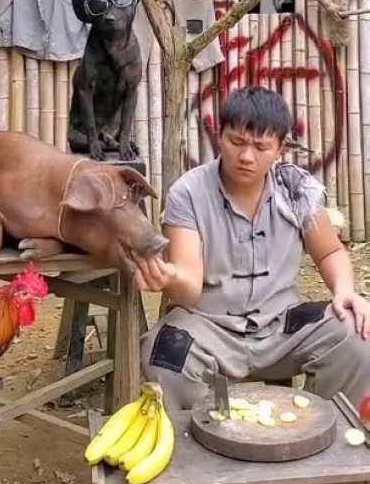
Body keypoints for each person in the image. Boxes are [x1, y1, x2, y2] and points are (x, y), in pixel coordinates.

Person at [134, 86, 370, 412]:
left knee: (358, 335)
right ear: (219, 136)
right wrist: (169, 276)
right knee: (165, 360)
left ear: (280, 148)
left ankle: (320, 432)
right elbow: (188, 289)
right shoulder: (187, 192)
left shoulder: (296, 187)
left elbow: (330, 253)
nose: (247, 156)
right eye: (237, 141)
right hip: (208, 327)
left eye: (261, 146)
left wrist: (345, 290)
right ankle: (203, 444)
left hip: (284, 327)